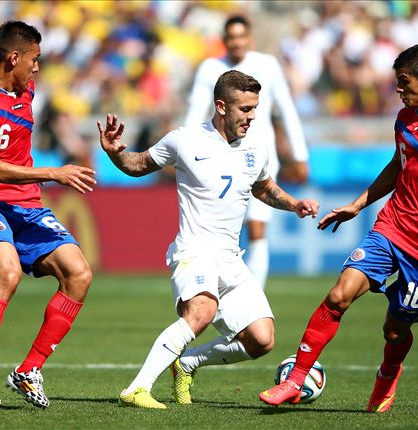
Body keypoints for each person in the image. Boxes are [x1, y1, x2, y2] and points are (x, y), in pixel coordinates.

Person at [259, 44, 418, 412]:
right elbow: (397, 168)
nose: (398, 90)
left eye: (404, 82)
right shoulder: (404, 119)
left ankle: (388, 373)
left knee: (395, 329)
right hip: (392, 227)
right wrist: (358, 204)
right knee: (338, 295)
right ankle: (295, 380)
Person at [98, 70, 319, 409]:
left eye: (254, 108)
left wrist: (294, 204)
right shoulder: (184, 140)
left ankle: (188, 363)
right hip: (194, 250)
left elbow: (263, 187)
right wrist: (115, 154)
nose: (252, 116)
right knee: (202, 310)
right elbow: (138, 164)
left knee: (262, 340)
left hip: (230, 257)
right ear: (221, 106)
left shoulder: (255, 148)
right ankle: (137, 388)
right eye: (244, 109)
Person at [0, 21, 96, 409]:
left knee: (79, 273)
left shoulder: (26, 91)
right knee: (7, 273)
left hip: (27, 205)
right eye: (34, 59)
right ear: (13, 57)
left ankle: (28, 370)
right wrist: (54, 172)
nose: (37, 68)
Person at [185, 15, 309, 290]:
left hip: (259, 157)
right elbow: (195, 110)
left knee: (256, 228)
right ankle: (215, 288)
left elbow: (286, 108)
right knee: (222, 227)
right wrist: (186, 148)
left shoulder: (266, 65)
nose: (237, 42)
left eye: (242, 37)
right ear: (225, 40)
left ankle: (253, 296)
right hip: (217, 158)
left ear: (249, 39)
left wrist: (300, 155)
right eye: (232, 37)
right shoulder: (210, 68)